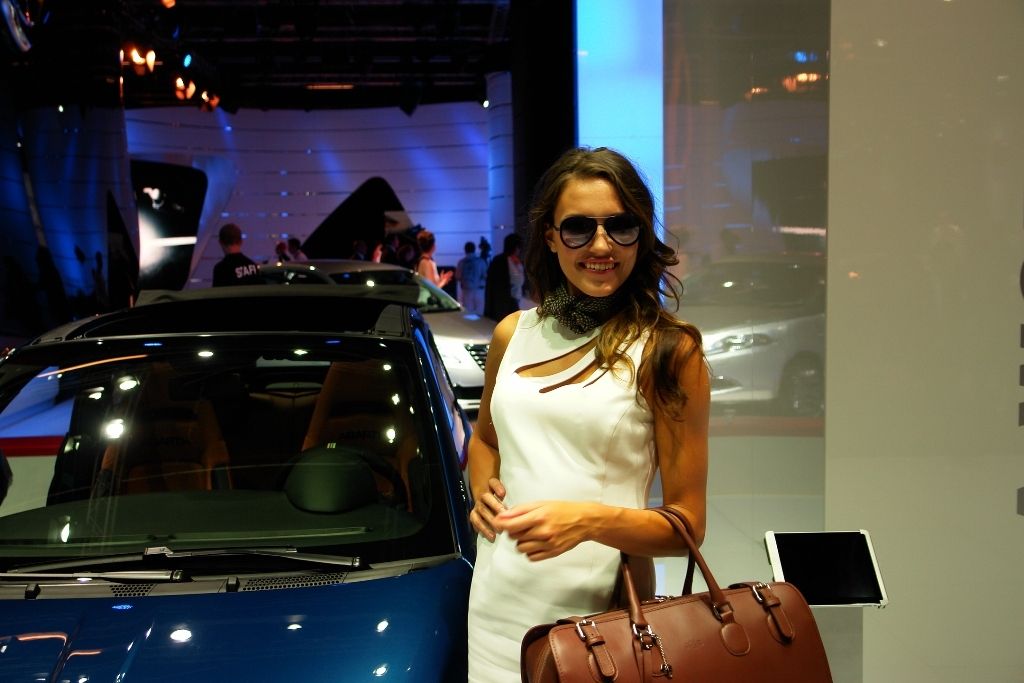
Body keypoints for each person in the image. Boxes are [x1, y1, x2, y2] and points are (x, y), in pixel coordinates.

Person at [465, 146, 710, 681]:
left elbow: (687, 525)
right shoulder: (513, 333)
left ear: (640, 235)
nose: (601, 245)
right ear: (551, 238)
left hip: (599, 620)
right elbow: (484, 441)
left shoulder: (669, 349)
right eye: (578, 228)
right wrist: (481, 489)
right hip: (495, 605)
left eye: (620, 226)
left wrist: (586, 520)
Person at [483, 232, 524, 322]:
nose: (519, 250)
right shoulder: (500, 260)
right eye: (518, 247)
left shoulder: (517, 261)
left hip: (514, 300)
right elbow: (493, 285)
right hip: (503, 302)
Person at [455, 240, 487, 315]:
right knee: (480, 314)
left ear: (465, 250)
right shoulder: (481, 261)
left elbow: (457, 277)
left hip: (467, 291)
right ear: (474, 249)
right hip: (479, 290)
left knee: (468, 314)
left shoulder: (461, 262)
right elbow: (485, 275)